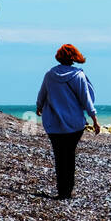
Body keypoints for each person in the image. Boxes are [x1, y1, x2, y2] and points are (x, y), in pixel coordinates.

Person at [35, 44, 100, 199]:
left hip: (53, 124)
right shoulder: (78, 76)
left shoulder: (50, 74)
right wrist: (95, 120)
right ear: (75, 57)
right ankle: (67, 190)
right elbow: (86, 100)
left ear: (59, 57)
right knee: (69, 156)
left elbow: (42, 94)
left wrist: (39, 107)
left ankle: (61, 190)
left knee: (59, 156)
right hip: (74, 124)